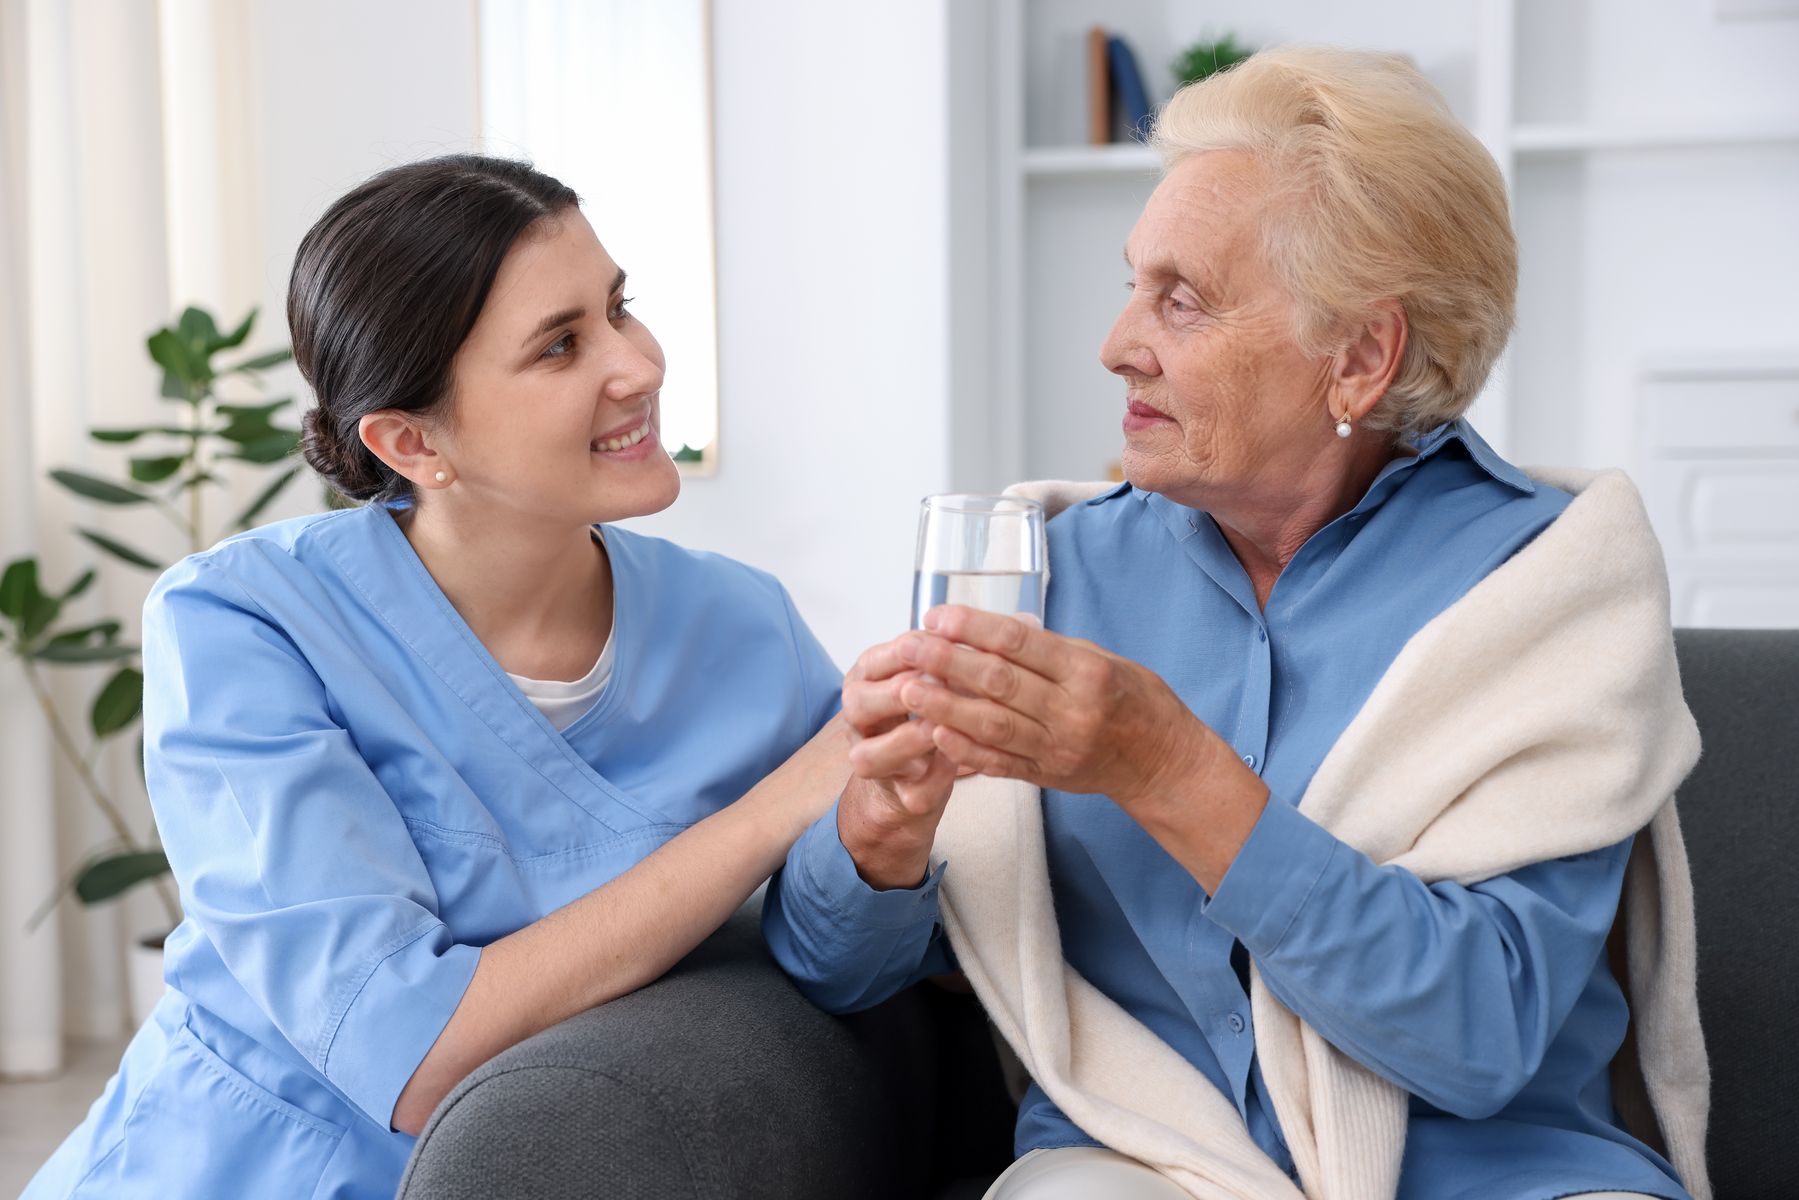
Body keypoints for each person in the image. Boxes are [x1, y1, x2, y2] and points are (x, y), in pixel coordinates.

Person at [762, 47, 1705, 1200]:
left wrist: (1166, 770)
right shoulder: (1046, 567)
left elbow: (1479, 1035)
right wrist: (879, 836)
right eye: (1130, 284)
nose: (1115, 344)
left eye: (1182, 299)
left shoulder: (1543, 585)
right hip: (1140, 1162)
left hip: (1495, 1174)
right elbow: (830, 971)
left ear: (1359, 357)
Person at [25, 155, 848, 1199]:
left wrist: (890, 822)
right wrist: (778, 808)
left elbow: (845, 963)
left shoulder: (741, 626)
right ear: (412, 442)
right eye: (561, 345)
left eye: (618, 308)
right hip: (231, 1169)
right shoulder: (242, 621)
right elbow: (403, 1051)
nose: (636, 365)